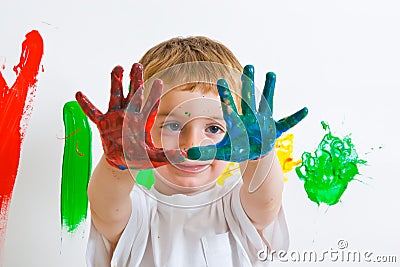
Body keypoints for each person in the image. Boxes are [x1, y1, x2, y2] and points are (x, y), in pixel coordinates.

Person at [76, 36, 308, 267]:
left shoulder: (235, 207)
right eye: (173, 126)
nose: (192, 145)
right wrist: (118, 161)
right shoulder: (138, 210)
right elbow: (105, 205)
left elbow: (266, 202)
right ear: (142, 128)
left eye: (214, 128)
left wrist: (258, 155)